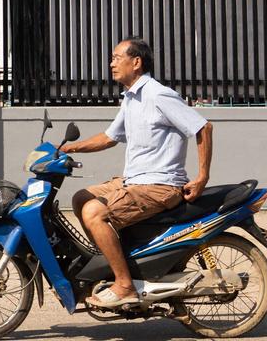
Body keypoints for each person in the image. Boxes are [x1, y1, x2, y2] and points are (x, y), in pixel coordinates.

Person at [60, 37, 213, 309]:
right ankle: (109, 259)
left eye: (117, 57)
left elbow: (203, 127)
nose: (112, 63)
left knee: (94, 213)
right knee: (81, 198)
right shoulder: (131, 98)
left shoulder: (157, 94)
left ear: (137, 62)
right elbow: (109, 138)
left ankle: (124, 285)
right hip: (135, 181)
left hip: (159, 185)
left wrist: (202, 177)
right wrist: (67, 148)